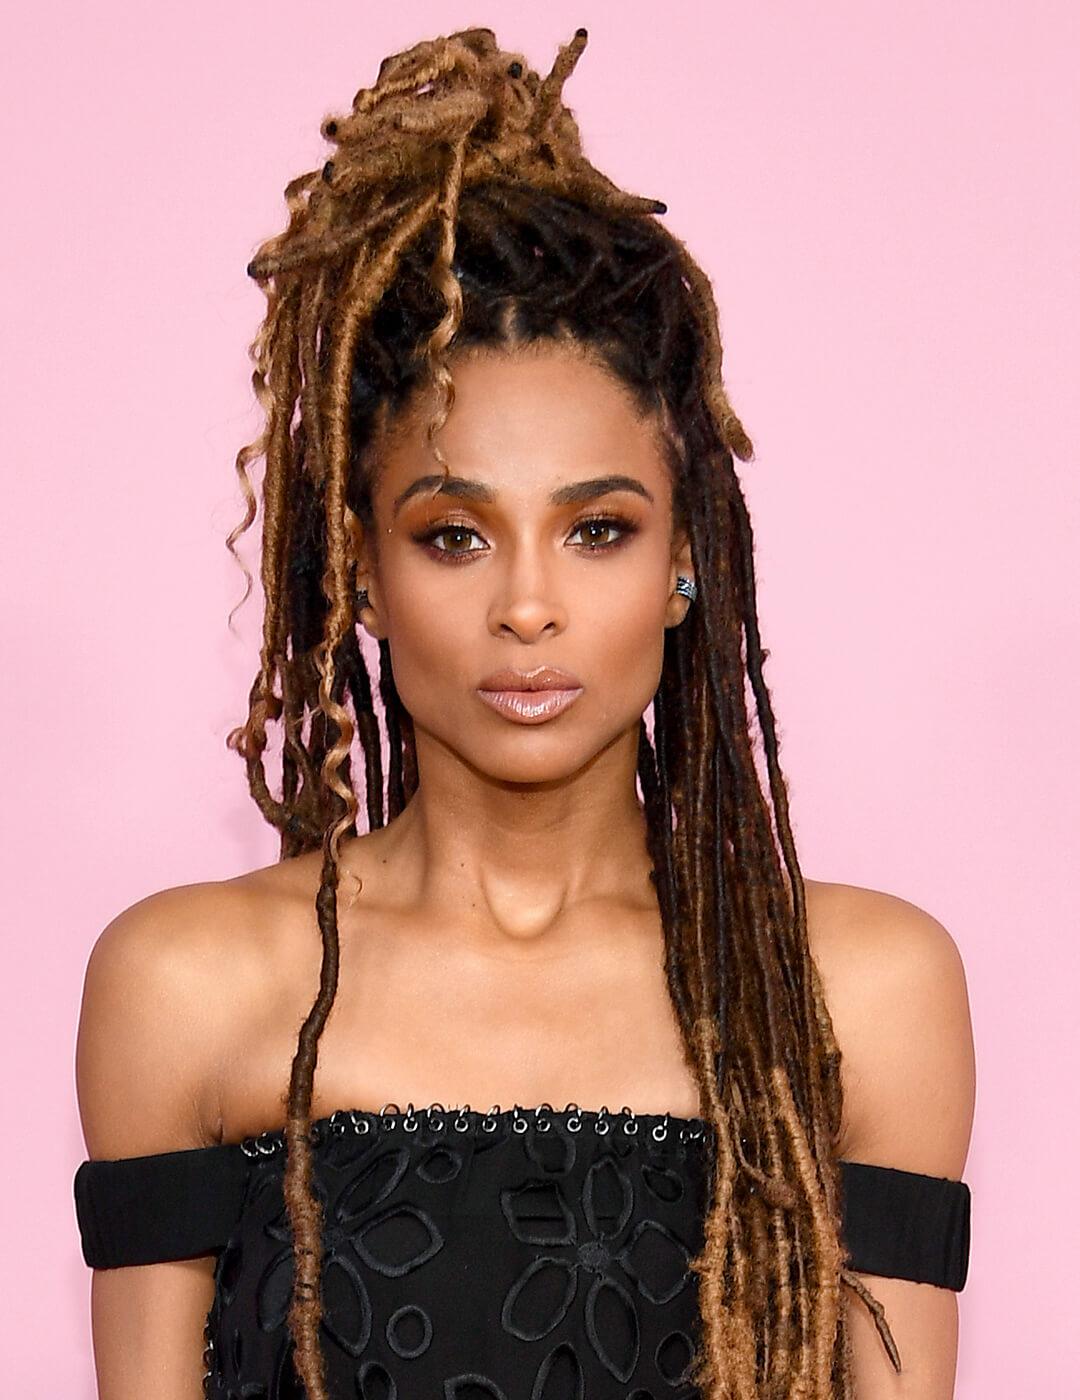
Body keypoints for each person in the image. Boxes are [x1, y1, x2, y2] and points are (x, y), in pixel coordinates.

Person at [72, 26, 975, 1400]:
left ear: (686, 562)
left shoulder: (861, 992)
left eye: (598, 529)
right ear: (363, 571)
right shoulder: (184, 987)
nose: (530, 607)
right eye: (454, 536)